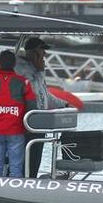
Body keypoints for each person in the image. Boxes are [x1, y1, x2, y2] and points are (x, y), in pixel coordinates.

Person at [15, 37, 69, 179]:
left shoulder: (35, 69)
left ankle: (32, 179)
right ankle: (24, 180)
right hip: (25, 124)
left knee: (35, 158)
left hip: (38, 124)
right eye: (41, 50)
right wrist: (40, 72)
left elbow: (44, 95)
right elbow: (32, 91)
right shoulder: (20, 69)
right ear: (33, 52)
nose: (44, 54)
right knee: (27, 158)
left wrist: (64, 104)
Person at [0, 50, 36, 178]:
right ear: (14, 64)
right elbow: (32, 105)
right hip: (16, 129)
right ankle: (13, 193)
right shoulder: (23, 82)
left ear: (0, 63)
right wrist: (28, 125)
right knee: (16, 170)